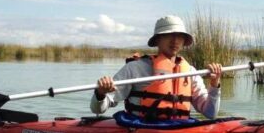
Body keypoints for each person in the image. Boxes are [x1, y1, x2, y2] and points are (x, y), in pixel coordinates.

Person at [91, 15, 223, 121]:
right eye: (169, 35)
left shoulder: (190, 72)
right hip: (142, 129)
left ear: (184, 41)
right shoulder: (135, 68)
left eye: (179, 36)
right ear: (157, 40)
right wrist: (100, 94)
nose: (175, 40)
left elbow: (210, 113)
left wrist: (214, 85)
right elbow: (98, 109)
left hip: (178, 128)